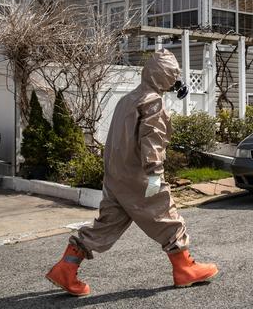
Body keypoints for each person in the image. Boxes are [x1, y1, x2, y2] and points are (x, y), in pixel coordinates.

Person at [46, 49, 218, 296]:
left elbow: (115, 139)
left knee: (107, 225)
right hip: (140, 176)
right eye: (173, 76)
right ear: (165, 76)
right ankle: (184, 269)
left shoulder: (127, 100)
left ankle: (66, 268)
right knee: (166, 216)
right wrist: (155, 175)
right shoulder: (152, 102)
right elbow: (153, 142)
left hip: (116, 177)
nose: (174, 82)